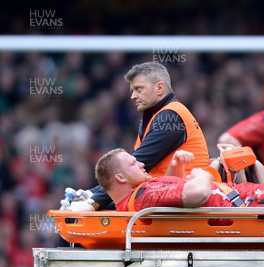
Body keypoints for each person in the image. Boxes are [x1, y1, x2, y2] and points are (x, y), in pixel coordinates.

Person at [66, 62, 210, 211]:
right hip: (166, 196)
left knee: (99, 213)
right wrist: (91, 193)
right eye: (132, 90)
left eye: (138, 89)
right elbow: (129, 170)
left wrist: (93, 202)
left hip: (184, 198)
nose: (133, 96)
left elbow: (137, 165)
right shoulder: (157, 117)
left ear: (159, 88)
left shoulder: (170, 117)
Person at [94, 148, 264, 214]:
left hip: (249, 199)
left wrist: (178, 168)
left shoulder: (139, 197)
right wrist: (203, 172)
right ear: (119, 176)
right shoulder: (142, 195)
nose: (140, 162)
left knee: (247, 159)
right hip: (257, 203)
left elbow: (172, 195)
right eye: (133, 163)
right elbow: (193, 195)